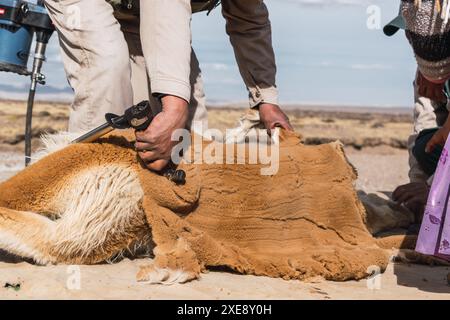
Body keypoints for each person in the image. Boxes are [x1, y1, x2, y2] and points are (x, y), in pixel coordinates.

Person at [44, 0, 292, 173]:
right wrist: (174, 108)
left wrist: (265, 99)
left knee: (189, 125)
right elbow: (166, 7)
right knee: (108, 67)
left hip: (138, 9)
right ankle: (85, 213)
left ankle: (164, 222)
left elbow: (249, 22)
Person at [385, 1, 450, 217]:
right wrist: (418, 188)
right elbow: (424, 123)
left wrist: (433, 189)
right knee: (424, 146)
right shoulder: (426, 73)